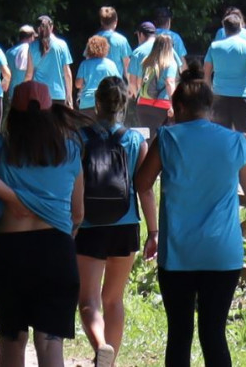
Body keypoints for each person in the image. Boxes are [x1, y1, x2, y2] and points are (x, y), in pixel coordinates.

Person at [134, 63, 246, 367]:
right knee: (214, 333)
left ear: (177, 106)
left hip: (178, 253)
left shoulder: (166, 139)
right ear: (209, 106)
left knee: (179, 334)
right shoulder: (234, 141)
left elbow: (142, 185)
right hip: (223, 253)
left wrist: (153, 232)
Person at [0, 81, 88, 367]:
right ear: (49, 113)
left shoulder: (2, 147)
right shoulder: (69, 151)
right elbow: (78, 213)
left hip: (12, 252)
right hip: (56, 250)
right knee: (49, 342)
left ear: (13, 115)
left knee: (12, 341)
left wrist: (13, 198)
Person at [76, 76, 158, 367]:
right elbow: (144, 189)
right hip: (126, 226)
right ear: (125, 104)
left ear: (96, 103)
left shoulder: (80, 138)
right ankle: (109, 361)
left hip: (88, 227)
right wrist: (154, 232)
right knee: (113, 299)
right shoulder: (136, 140)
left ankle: (101, 347)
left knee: (88, 301)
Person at [203, 13, 246, 133]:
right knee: (244, 134)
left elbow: (207, 72)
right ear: (240, 27)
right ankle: (245, 152)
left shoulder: (214, 46)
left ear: (224, 29)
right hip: (242, 95)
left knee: (221, 134)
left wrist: (208, 92)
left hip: (219, 95)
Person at [135, 34, 178, 141]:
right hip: (162, 107)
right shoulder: (170, 63)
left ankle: (145, 157)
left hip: (143, 105)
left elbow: (139, 81)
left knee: (147, 139)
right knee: (164, 140)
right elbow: (169, 82)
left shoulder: (146, 61)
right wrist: (173, 105)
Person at [26, 15, 74, 108]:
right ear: (52, 27)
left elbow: (29, 74)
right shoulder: (62, 45)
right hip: (58, 94)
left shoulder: (32, 47)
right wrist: (69, 96)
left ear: (37, 29)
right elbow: (67, 73)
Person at [127, 21, 182, 98]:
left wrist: (138, 98)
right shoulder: (169, 50)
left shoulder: (137, 52)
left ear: (141, 35)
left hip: (145, 100)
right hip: (166, 100)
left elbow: (132, 83)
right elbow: (179, 71)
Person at [76, 35, 121, 117]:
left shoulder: (84, 64)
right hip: (105, 102)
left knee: (87, 129)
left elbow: (78, 84)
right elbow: (117, 82)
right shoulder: (110, 64)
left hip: (86, 103)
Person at [96, 6, 132, 78]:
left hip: (97, 83)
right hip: (115, 83)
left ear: (101, 22)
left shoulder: (94, 40)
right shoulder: (122, 40)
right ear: (116, 21)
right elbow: (127, 65)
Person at [6, 24, 37, 102]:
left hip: (12, 92)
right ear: (31, 37)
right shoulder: (27, 49)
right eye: (34, 37)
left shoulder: (9, 52)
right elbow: (27, 72)